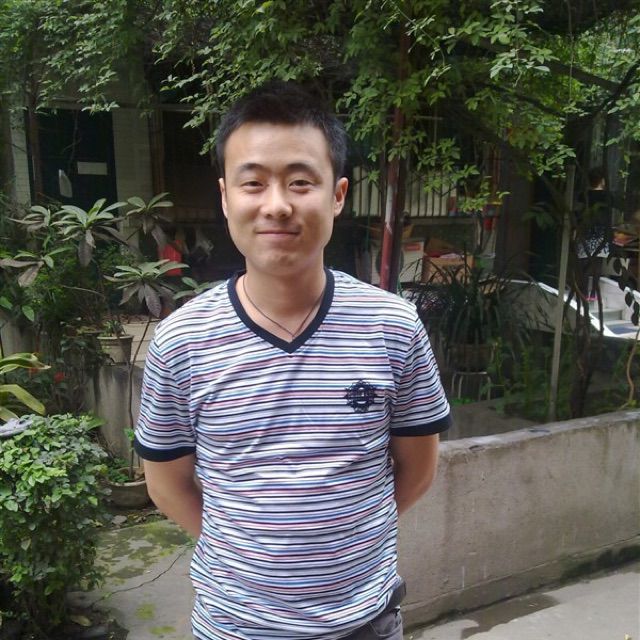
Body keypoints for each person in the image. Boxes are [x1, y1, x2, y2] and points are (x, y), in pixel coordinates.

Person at [134, 81, 451, 640]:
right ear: (226, 197)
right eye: (253, 182)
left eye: (300, 182)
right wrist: (245, 556)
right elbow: (166, 484)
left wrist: (346, 544)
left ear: (338, 195)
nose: (277, 204)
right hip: (234, 627)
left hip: (366, 623)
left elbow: (418, 469)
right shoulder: (181, 341)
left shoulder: (393, 327)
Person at [576, 166, 613, 301]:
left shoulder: (583, 195)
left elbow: (578, 214)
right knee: (597, 264)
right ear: (602, 180)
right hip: (600, 233)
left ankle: (584, 292)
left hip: (585, 231)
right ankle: (593, 293)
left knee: (584, 263)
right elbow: (608, 216)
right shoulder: (607, 196)